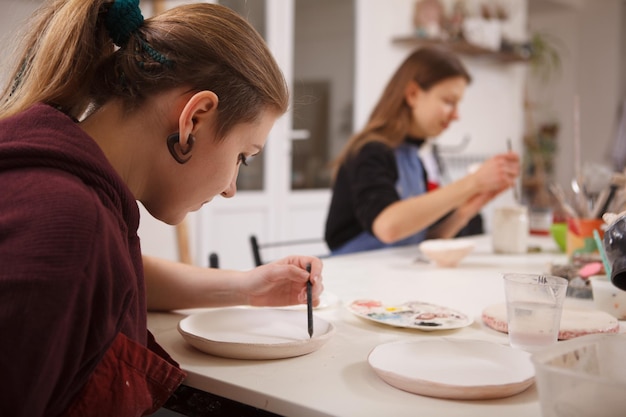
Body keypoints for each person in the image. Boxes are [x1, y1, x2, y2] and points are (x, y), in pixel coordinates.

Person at [0, 1, 324, 416]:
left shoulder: (69, 195)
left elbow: (108, 279)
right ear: (194, 119)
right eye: (243, 156)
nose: (231, 189)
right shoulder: (66, 221)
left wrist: (248, 287)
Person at [325, 46, 520, 255]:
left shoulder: (415, 156)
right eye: (448, 102)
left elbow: (423, 240)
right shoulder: (370, 151)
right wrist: (474, 182)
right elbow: (388, 227)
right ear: (412, 94)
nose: (456, 115)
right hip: (352, 273)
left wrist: (466, 210)